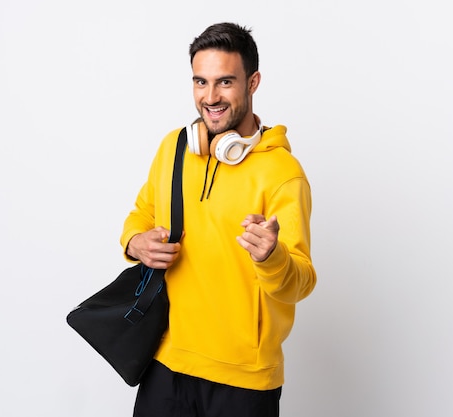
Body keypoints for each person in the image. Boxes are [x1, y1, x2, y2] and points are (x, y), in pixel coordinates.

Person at [120, 22, 317, 417]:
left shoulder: (282, 173)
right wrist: (134, 242)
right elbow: (141, 214)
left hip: (243, 380)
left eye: (225, 82)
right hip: (166, 361)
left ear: (253, 82)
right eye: (200, 82)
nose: (210, 97)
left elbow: (302, 282)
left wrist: (272, 258)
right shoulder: (175, 148)